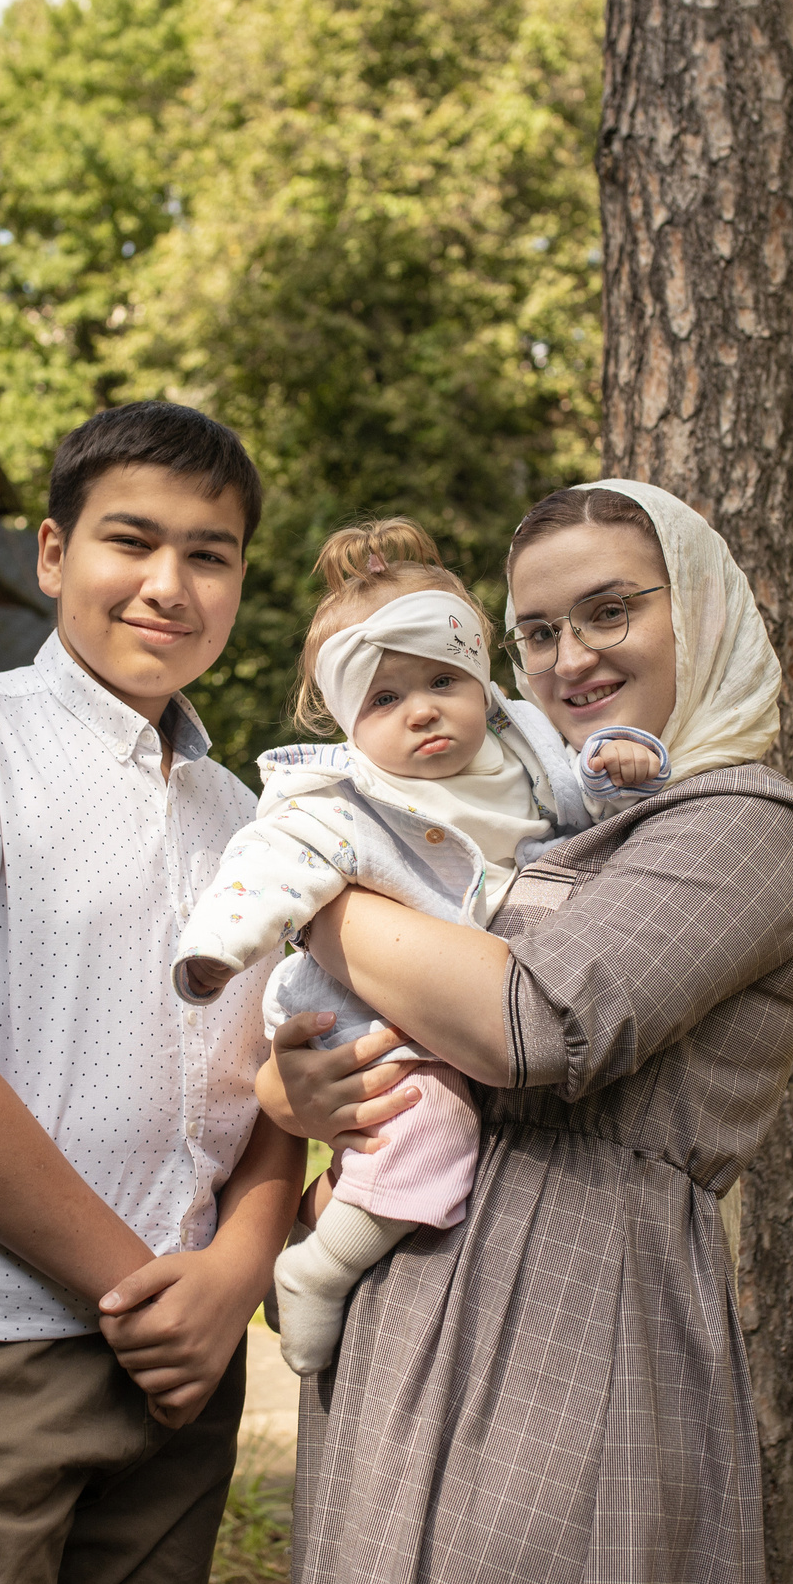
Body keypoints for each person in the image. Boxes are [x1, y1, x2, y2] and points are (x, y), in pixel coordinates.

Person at [260, 478, 793, 1584]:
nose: (571, 657)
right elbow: (378, 1033)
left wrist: (313, 875)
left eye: (610, 611)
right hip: (406, 1296)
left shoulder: (747, 822)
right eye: (536, 632)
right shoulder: (524, 823)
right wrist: (303, 1102)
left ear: (698, 608)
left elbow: (534, 1023)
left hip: (576, 1309)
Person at [0, 401, 306, 1584]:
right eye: (130, 540)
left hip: (176, 1380)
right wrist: (146, 1295)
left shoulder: (254, 827)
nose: (168, 585)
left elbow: (274, 1081)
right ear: (51, 553)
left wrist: (232, 1278)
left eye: (209, 555)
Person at [170, 518, 635, 1376]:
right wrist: (218, 947)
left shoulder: (529, 749)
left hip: (486, 999)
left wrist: (623, 765)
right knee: (432, 1123)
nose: (421, 710)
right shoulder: (344, 795)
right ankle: (323, 1265)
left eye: (441, 681)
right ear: (350, 721)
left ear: (480, 679)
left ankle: (330, 1225)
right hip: (373, 1014)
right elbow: (268, 863)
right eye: (384, 699)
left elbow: (595, 794)